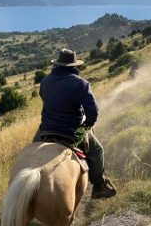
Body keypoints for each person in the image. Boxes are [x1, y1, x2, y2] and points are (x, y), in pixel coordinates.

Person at [34, 48, 117, 199]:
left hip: (46, 129)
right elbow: (93, 111)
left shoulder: (45, 82)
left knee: (32, 149)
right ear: (74, 66)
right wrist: (86, 126)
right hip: (72, 131)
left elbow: (44, 97)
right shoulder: (81, 84)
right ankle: (99, 187)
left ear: (58, 64)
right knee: (98, 151)